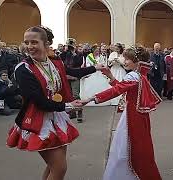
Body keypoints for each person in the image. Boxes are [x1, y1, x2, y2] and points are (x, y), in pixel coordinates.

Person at [6, 26, 102, 180]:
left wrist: (95, 68)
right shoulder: (23, 69)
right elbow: (39, 102)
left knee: (53, 166)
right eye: (27, 42)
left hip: (56, 116)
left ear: (46, 44)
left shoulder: (54, 63)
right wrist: (69, 105)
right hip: (38, 121)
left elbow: (72, 72)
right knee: (59, 168)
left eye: (34, 42)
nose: (30, 47)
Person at [81, 46, 162, 180]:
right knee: (133, 146)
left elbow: (117, 90)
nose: (125, 61)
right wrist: (110, 76)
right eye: (125, 58)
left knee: (128, 148)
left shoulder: (133, 76)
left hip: (132, 117)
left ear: (137, 61)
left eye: (128, 59)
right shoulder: (139, 75)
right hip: (137, 116)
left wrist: (91, 98)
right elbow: (122, 88)